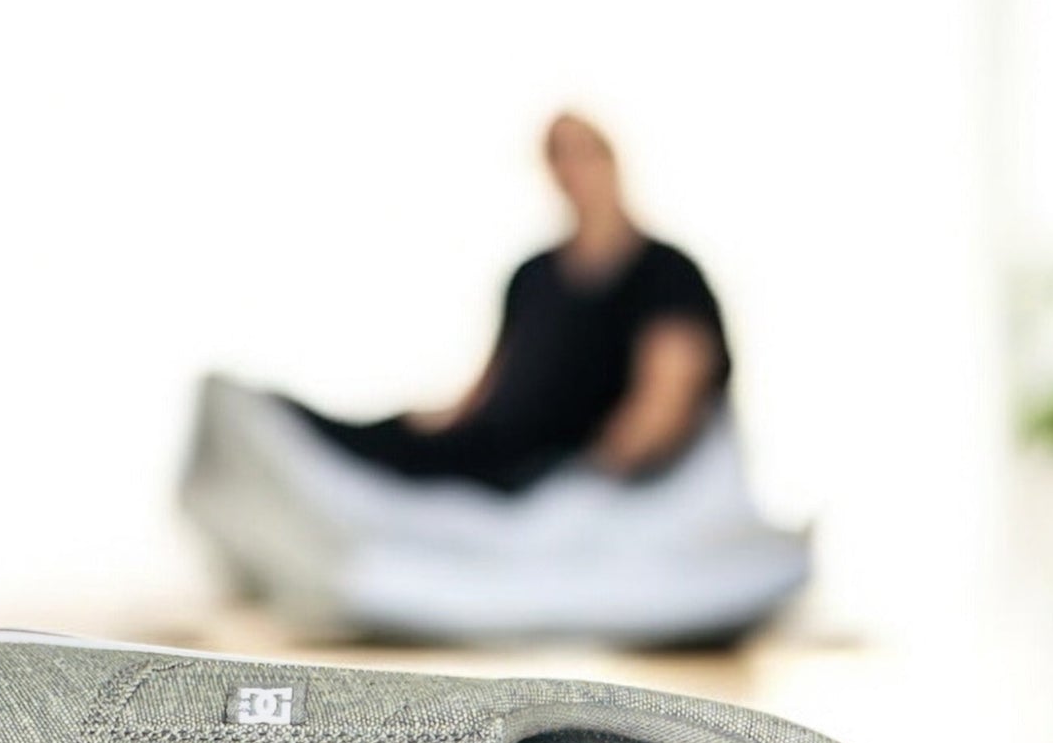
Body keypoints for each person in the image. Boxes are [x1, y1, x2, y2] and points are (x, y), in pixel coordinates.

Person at [287, 112, 732, 494]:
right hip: (492, 447)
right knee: (385, 439)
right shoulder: (532, 276)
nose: (573, 169)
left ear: (611, 158)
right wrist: (431, 422)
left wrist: (592, 480)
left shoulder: (667, 274)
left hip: (551, 468)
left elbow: (665, 400)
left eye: (584, 151)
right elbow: (489, 388)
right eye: (558, 154)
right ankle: (284, 425)